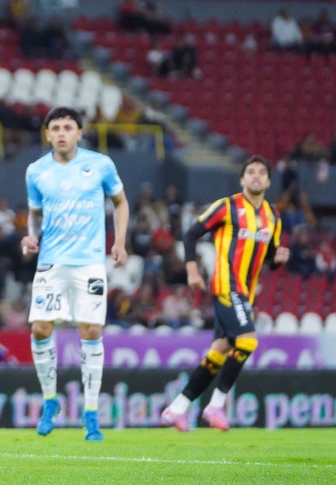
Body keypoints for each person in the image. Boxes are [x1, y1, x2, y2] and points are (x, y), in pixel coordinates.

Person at [21, 106, 129, 442]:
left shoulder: (100, 165)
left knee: (91, 329)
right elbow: (34, 214)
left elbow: (121, 202)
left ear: (80, 133)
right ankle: (51, 401)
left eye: (69, 127)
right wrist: (31, 236)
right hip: (51, 263)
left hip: (89, 263)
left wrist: (120, 241)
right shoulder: (36, 171)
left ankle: (92, 413)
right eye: (56, 128)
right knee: (40, 327)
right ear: (48, 134)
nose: (62, 132)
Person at [160, 156, 289, 432]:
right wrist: (193, 271)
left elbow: (268, 259)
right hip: (225, 285)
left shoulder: (273, 217)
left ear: (268, 181)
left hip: (246, 293)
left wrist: (278, 259)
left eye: (261, 173)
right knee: (247, 342)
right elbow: (191, 234)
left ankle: (177, 408)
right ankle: (216, 405)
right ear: (242, 180)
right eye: (250, 172)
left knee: (219, 351)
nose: (256, 176)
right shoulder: (227, 206)